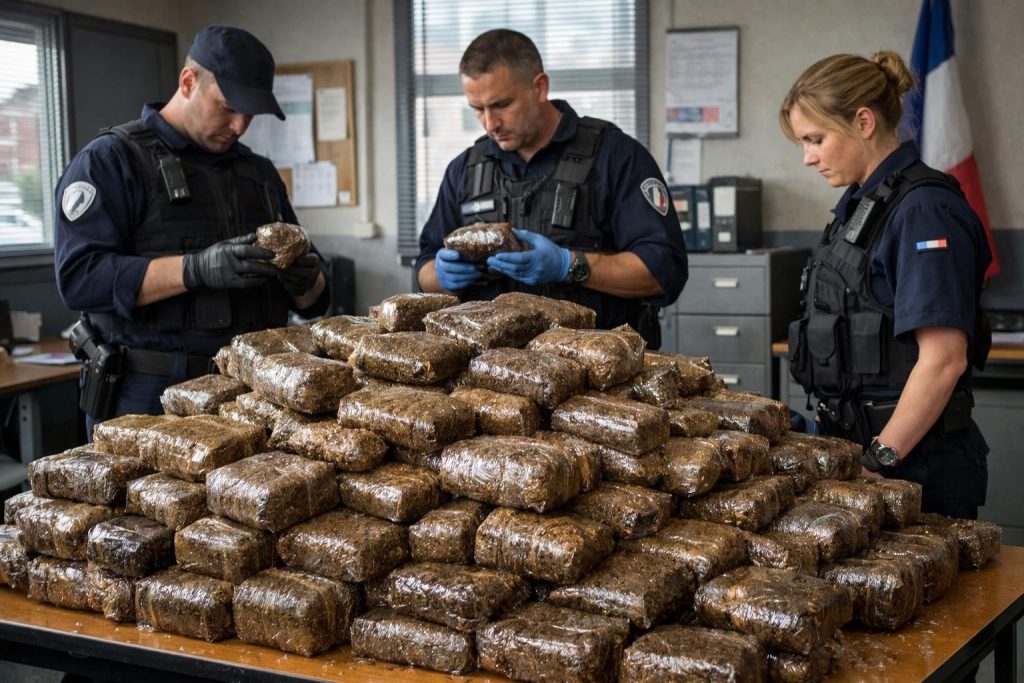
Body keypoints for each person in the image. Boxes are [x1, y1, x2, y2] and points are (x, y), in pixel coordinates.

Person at [54, 26, 329, 435]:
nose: (239, 125)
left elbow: (314, 302)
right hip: (149, 399)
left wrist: (307, 279)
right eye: (227, 107)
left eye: (250, 113)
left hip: (250, 395)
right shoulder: (110, 161)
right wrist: (193, 270)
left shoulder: (259, 174)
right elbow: (80, 279)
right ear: (188, 82)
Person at [781, 52, 991, 520]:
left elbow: (943, 360)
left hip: (913, 468)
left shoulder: (923, 210)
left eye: (816, 139)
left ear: (863, 121)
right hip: (859, 458)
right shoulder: (861, 206)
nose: (808, 157)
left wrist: (880, 461)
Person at [415, 29, 687, 348]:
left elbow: (662, 271)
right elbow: (425, 268)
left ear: (540, 87)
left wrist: (567, 265)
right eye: (477, 109)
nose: (490, 124)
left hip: (598, 376)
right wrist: (443, 277)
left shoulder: (616, 157)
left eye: (501, 105)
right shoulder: (465, 169)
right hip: (489, 375)